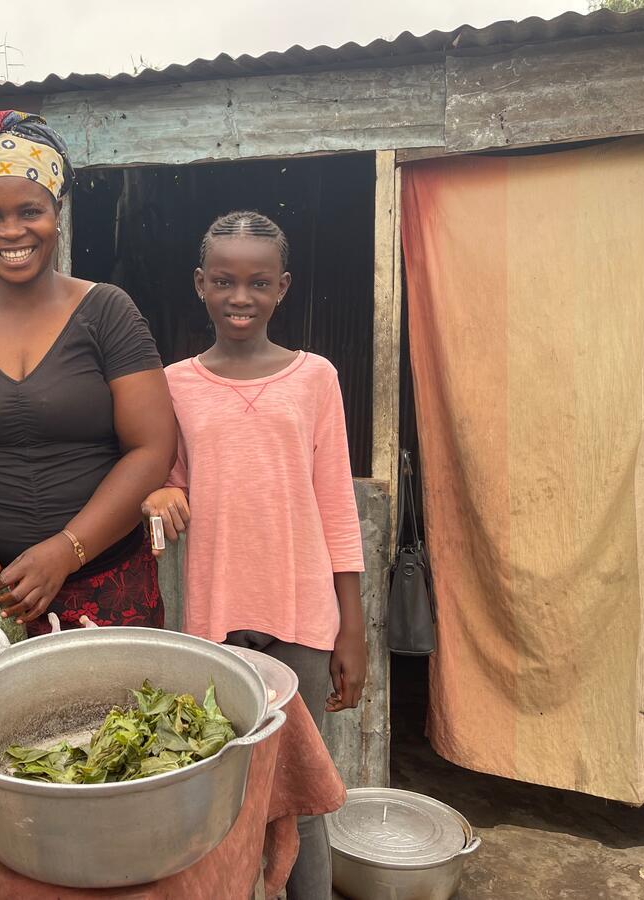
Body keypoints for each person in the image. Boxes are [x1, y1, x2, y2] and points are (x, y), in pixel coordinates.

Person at [141, 211, 366, 899]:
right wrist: (157, 497)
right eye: (226, 281)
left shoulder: (315, 378)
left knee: (305, 788)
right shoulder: (173, 385)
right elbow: (169, 482)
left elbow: (335, 502)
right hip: (214, 613)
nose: (242, 297)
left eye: (259, 282)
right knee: (219, 788)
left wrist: (352, 628)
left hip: (300, 611)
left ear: (283, 287)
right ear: (201, 285)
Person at [0, 111, 176, 633]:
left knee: (124, 714)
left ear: (56, 210)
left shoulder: (108, 312)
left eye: (29, 211)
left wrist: (68, 550)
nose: (11, 230)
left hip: (108, 588)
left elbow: (152, 448)